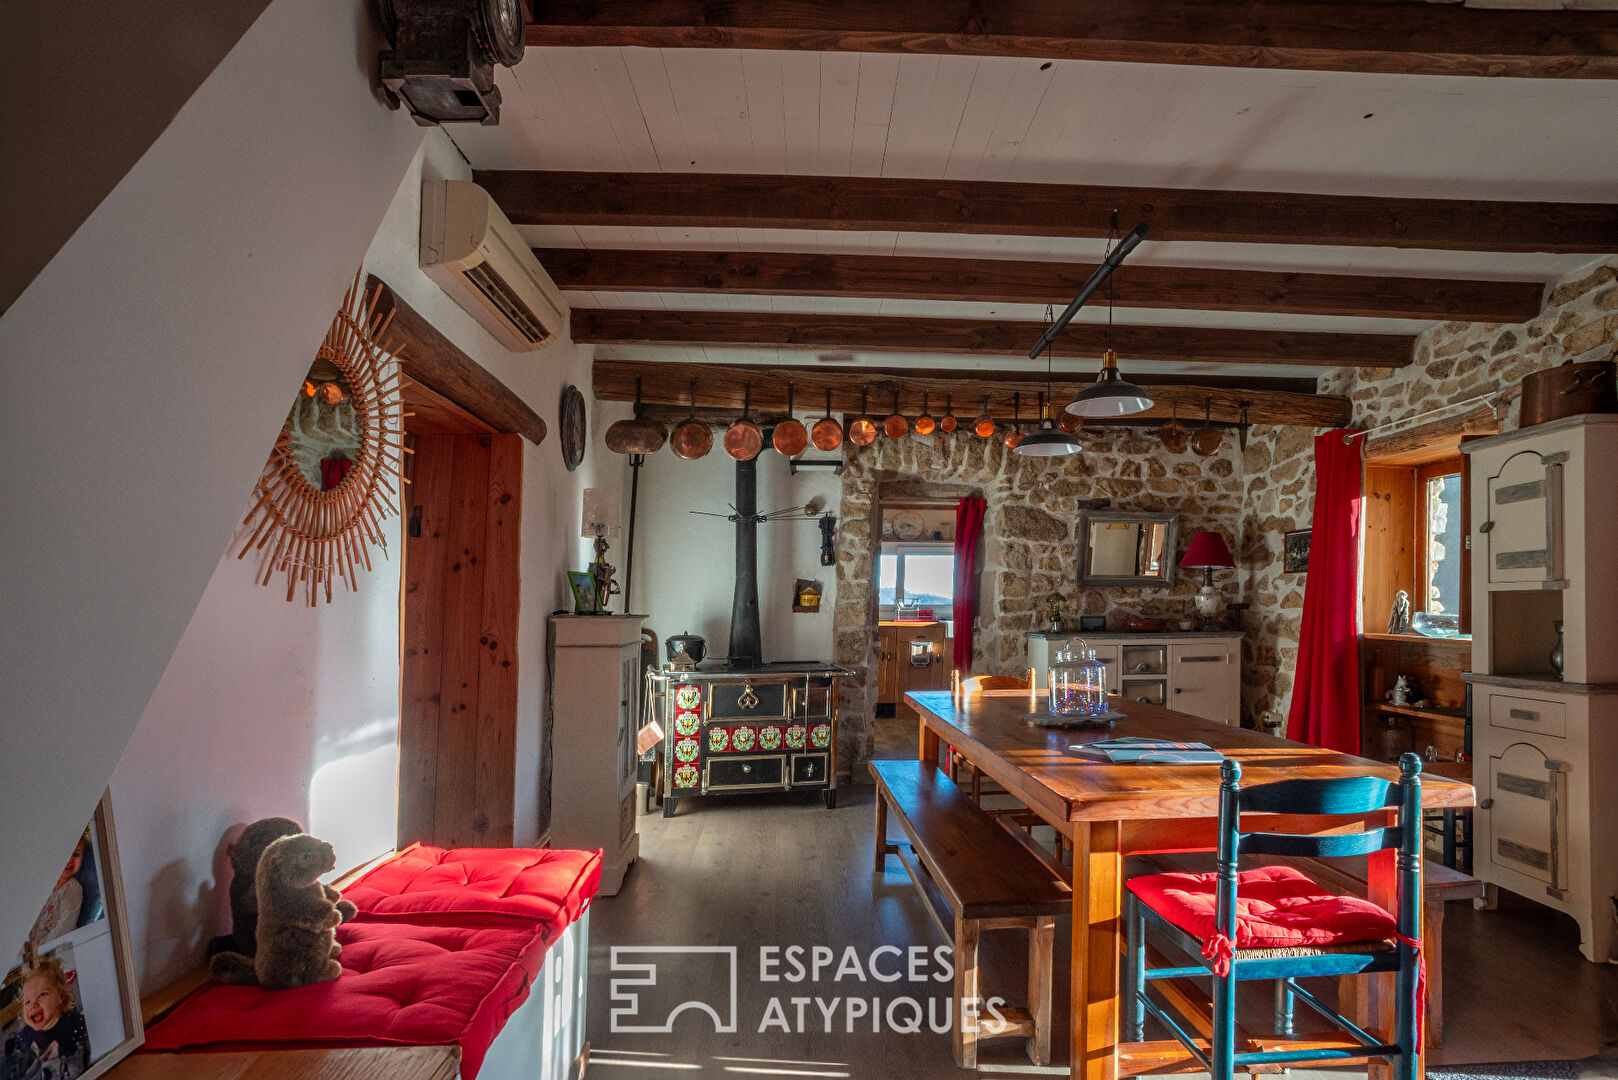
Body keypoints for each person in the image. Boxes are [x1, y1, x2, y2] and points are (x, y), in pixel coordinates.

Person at [7, 956, 91, 1080]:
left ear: (60, 997)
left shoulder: (77, 1024)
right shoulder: (23, 1037)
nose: (33, 1005)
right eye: (27, 1002)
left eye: (42, 994)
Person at [27, 837, 88, 949]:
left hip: (56, 947)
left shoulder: (72, 888)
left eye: (76, 855)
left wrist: (42, 949)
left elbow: (65, 925)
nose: (69, 859)